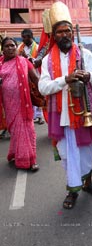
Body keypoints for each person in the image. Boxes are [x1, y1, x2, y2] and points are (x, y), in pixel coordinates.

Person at [38, 1, 92, 209]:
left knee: (85, 152)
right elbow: (43, 87)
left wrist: (89, 75)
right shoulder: (47, 60)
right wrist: (64, 80)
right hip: (61, 117)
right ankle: (72, 190)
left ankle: (87, 184)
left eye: (68, 30)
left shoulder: (84, 55)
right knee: (68, 155)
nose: (65, 35)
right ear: (53, 36)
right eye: (60, 32)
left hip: (83, 113)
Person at [0, 37, 39, 171]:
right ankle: (18, 154)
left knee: (28, 130)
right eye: (7, 46)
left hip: (23, 103)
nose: (10, 48)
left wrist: (46, 92)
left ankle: (31, 159)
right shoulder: (0, 64)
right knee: (16, 131)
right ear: (2, 49)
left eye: (13, 45)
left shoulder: (24, 61)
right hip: (8, 104)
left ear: (16, 47)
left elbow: (35, 78)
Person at [18, 29, 45, 125]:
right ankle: (33, 116)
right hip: (25, 74)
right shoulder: (20, 47)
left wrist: (27, 57)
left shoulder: (37, 48)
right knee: (30, 94)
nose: (23, 39)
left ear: (30, 37)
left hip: (36, 73)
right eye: (22, 37)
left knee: (38, 92)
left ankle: (40, 116)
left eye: (24, 37)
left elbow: (38, 62)